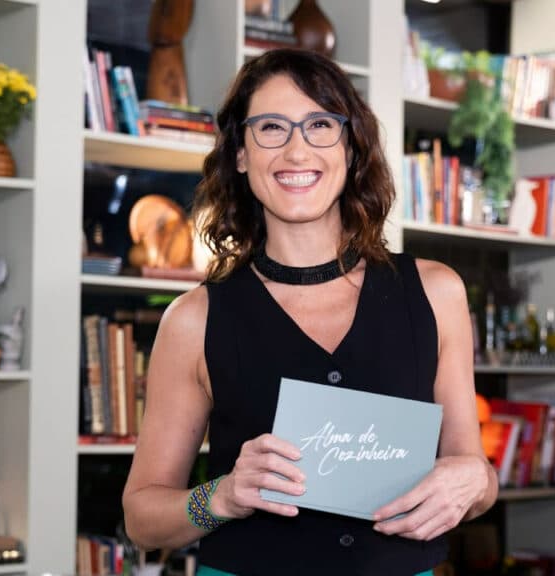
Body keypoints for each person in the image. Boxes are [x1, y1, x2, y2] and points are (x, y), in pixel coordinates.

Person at [122, 48, 498, 576]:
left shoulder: (436, 293)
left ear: (351, 147)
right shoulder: (194, 318)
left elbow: (476, 477)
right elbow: (142, 519)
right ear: (240, 154)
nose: (297, 151)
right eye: (271, 128)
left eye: (320, 125)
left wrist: (476, 480)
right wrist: (222, 496)